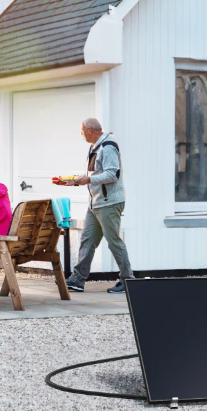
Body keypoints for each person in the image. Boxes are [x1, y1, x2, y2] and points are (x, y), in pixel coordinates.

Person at [64, 118, 133, 294]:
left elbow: (112, 174)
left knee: (113, 242)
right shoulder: (94, 147)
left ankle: (127, 281)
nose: (81, 135)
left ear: (89, 130)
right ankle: (78, 279)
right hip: (95, 203)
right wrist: (75, 181)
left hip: (109, 203)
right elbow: (95, 174)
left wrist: (87, 179)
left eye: (81, 131)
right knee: (87, 240)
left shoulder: (108, 146)